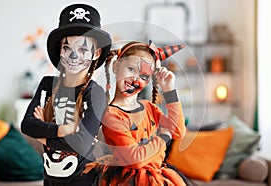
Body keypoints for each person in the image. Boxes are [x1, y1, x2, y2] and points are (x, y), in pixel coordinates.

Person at [21, 3, 112, 186]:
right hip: (49, 180)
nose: (73, 56)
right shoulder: (48, 85)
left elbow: (82, 144)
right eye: (67, 48)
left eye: (83, 49)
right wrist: (61, 130)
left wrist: (43, 134)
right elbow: (27, 125)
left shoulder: (94, 93)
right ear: (60, 51)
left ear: (97, 53)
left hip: (84, 181)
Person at [85, 40, 193, 185]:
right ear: (116, 66)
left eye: (144, 76)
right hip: (129, 181)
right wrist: (163, 138)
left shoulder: (149, 108)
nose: (136, 79)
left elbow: (178, 131)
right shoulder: (112, 115)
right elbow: (135, 159)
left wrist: (169, 90)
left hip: (157, 175)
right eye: (131, 69)